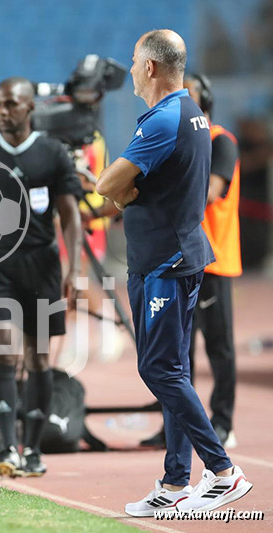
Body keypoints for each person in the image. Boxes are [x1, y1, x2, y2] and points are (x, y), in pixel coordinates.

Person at [96, 30, 252, 516]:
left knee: (158, 368)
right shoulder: (194, 115)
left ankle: (224, 472)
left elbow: (106, 184)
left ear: (150, 68)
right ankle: (175, 481)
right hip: (170, 256)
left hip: (166, 261)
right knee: (175, 369)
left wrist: (122, 194)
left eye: (133, 63)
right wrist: (128, 193)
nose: (128, 72)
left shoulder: (165, 119)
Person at [0, 77, 82, 478]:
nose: (2, 111)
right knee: (4, 352)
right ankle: (7, 448)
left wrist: (74, 269)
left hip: (42, 268)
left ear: (29, 108)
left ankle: (35, 449)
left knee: (38, 358)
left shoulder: (53, 153)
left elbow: (71, 216)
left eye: (10, 104)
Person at [140, 73, 242, 451]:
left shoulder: (221, 142)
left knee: (219, 346)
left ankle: (224, 421)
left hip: (214, 259)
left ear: (207, 100)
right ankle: (176, 425)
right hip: (179, 258)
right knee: (177, 350)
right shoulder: (180, 137)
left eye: (190, 94)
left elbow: (212, 192)